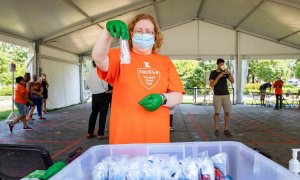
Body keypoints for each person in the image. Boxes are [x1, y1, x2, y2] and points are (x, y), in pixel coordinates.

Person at [92, 14, 184, 144]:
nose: (144, 35)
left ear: (155, 35)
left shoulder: (165, 62)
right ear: (131, 33)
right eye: (139, 31)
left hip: (156, 136)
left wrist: (162, 98)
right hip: (124, 137)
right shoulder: (120, 56)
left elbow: (178, 95)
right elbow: (99, 59)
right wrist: (107, 32)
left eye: (148, 32)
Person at [209, 58, 234, 137]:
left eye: (223, 64)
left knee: (227, 112)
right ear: (218, 64)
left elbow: (232, 81)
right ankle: (216, 129)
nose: (222, 65)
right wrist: (219, 76)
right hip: (217, 95)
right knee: (217, 113)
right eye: (221, 64)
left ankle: (226, 129)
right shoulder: (213, 73)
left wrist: (228, 73)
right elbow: (212, 85)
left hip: (226, 95)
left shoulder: (225, 72)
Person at [86, 61, 110, 139]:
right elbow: (105, 84)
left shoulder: (90, 72)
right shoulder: (102, 71)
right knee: (103, 114)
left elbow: (88, 84)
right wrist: (105, 89)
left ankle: (90, 132)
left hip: (94, 95)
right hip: (102, 94)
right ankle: (100, 134)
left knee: (94, 113)